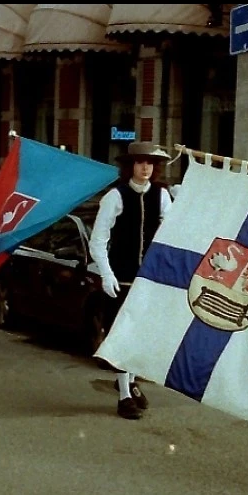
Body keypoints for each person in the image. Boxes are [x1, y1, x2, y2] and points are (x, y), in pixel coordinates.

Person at [89, 141, 174, 420]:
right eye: (139, 163)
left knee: (140, 335)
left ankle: (129, 381)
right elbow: (98, 240)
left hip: (148, 278)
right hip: (121, 277)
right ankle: (125, 396)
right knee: (122, 334)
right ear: (130, 166)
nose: (145, 167)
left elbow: (169, 236)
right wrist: (106, 273)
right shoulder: (115, 196)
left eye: (150, 163)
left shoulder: (161, 196)